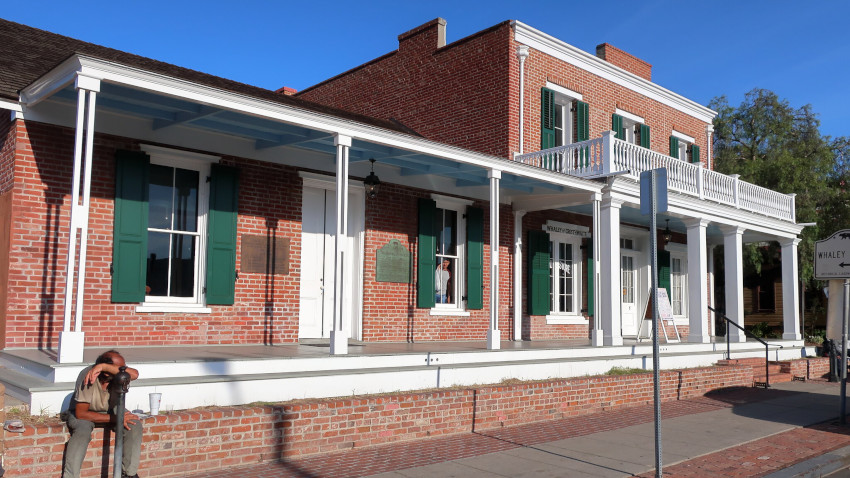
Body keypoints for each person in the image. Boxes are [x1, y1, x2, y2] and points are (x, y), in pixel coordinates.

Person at [64, 350, 143, 478]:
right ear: (107, 373)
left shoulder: (119, 376)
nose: (122, 371)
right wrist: (116, 419)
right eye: (117, 368)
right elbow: (81, 413)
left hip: (111, 409)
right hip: (85, 413)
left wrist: (103, 366)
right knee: (82, 432)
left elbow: (135, 374)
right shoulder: (88, 376)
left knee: (134, 425)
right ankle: (70, 476)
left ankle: (128, 474)